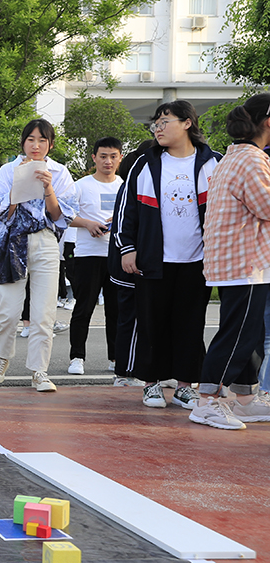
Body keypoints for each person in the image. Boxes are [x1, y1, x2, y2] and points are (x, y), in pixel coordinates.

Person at [115, 100, 219, 410]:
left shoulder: (213, 162)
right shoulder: (145, 163)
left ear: (187, 123)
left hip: (197, 261)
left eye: (165, 122)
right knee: (151, 324)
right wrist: (128, 248)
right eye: (155, 124)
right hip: (152, 260)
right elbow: (126, 210)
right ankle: (151, 384)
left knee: (190, 324)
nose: (158, 129)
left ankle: (186, 386)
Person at [189, 94, 270, 429]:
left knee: (248, 333)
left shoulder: (236, 156)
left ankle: (246, 400)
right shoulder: (252, 160)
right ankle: (206, 402)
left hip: (237, 260)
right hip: (245, 262)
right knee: (238, 334)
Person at [0, 119, 78, 392]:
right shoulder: (7, 169)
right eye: (31, 140)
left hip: (46, 243)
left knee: (44, 311)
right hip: (12, 243)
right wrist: (20, 183)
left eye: (42, 140)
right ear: (23, 142)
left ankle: (39, 370)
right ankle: (2, 358)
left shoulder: (60, 172)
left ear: (50, 144)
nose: (36, 146)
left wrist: (48, 187)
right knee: (8, 309)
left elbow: (61, 216)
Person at [66, 138, 122, 376]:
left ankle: (116, 357)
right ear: (94, 158)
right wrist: (88, 223)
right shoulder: (81, 185)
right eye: (102, 156)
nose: (107, 161)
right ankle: (77, 357)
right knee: (83, 307)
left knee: (117, 310)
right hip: (88, 255)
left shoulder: (125, 185)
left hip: (117, 255)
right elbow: (65, 214)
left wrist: (116, 223)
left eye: (112, 156)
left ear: (120, 157)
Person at [109, 139, 156, 386]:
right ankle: (124, 373)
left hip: (138, 265)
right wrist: (130, 252)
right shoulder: (133, 185)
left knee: (143, 319)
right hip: (129, 266)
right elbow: (123, 229)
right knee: (132, 319)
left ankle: (144, 370)